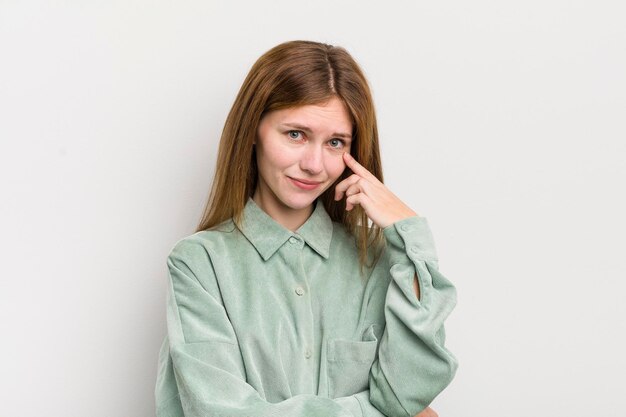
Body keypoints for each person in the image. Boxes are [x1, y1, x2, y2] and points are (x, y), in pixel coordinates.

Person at [154, 40, 458, 417]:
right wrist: (371, 409)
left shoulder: (377, 256)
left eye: (335, 142)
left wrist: (407, 231)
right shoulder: (199, 264)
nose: (315, 164)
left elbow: (407, 394)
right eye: (295, 134)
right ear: (253, 130)